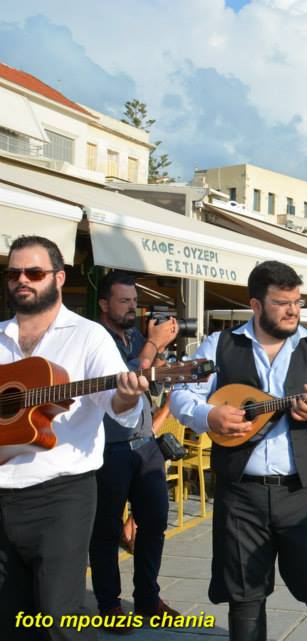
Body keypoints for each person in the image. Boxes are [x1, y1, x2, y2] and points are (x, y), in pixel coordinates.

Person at [169, 261, 307, 641]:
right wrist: (209, 416)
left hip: (302, 492)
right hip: (241, 492)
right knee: (244, 595)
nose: (292, 310)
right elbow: (181, 395)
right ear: (255, 305)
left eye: (297, 302)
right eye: (282, 302)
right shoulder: (220, 345)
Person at [0, 236, 149, 641]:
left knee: (60, 617)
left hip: (60, 496)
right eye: (14, 273)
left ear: (59, 278)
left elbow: (117, 403)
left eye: (34, 272)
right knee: (9, 620)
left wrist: (126, 394)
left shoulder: (88, 336)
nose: (22, 281)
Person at [89, 271, 181, 632]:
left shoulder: (135, 336)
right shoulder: (95, 339)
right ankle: (109, 604)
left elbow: (148, 378)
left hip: (144, 445)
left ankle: (147, 598)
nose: (133, 308)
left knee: (155, 521)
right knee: (106, 530)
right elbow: (124, 380)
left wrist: (166, 366)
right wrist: (152, 348)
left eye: (134, 301)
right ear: (104, 304)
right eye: (124, 301)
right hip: (108, 447)